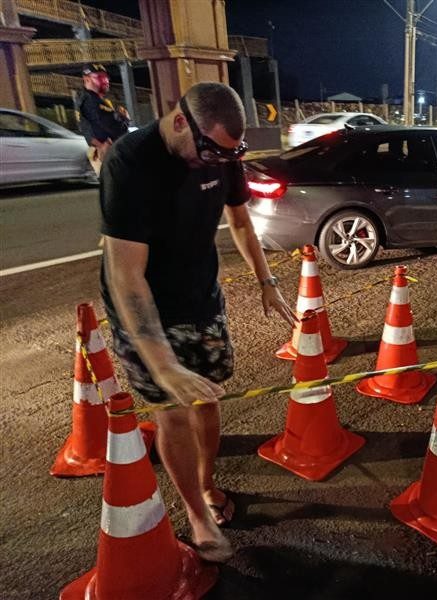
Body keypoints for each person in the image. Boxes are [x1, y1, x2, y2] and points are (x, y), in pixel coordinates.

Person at [100, 82, 296, 562]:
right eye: (209, 152)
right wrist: (163, 364)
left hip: (201, 299)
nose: (216, 163)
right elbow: (127, 277)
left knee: (208, 397)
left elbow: (240, 222)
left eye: (229, 155)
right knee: (172, 412)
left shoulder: (221, 155)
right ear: (180, 121)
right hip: (145, 310)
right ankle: (197, 514)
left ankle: (207, 484)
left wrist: (267, 281)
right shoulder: (130, 163)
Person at [76, 63, 130, 175]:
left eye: (106, 77)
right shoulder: (90, 101)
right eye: (99, 77)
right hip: (107, 153)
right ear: (87, 79)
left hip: (109, 152)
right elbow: (110, 128)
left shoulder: (92, 100)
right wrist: (124, 120)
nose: (105, 81)